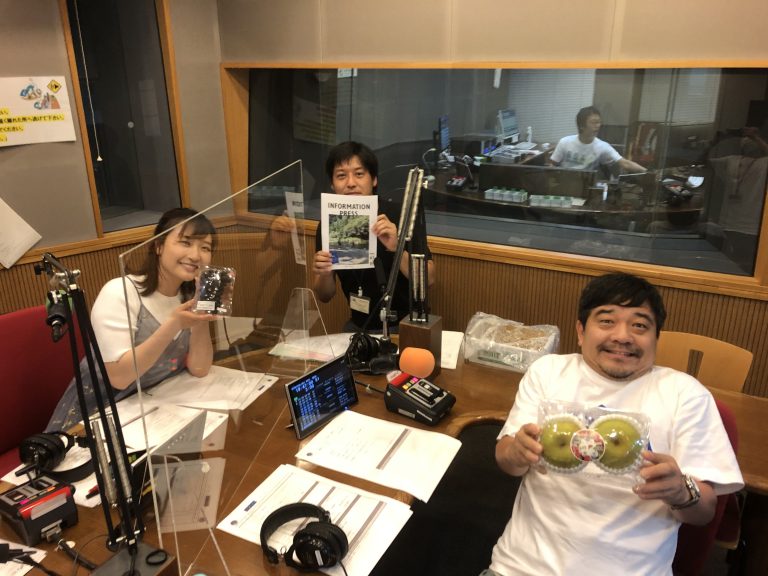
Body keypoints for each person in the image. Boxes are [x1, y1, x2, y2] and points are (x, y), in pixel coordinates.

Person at [483, 272, 743, 576]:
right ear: (581, 331)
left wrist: (681, 492)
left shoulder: (684, 394)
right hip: (521, 567)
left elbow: (704, 512)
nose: (623, 336)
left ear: (656, 337)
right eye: (606, 321)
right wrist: (516, 452)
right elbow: (507, 460)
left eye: (640, 325)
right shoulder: (548, 372)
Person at [47, 208, 219, 431]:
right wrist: (174, 324)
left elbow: (199, 368)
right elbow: (120, 377)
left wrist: (203, 312)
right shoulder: (120, 292)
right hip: (95, 420)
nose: (196, 255)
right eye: (185, 242)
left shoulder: (187, 297)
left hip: (153, 411)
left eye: (205, 248)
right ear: (158, 246)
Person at [312, 141, 435, 332]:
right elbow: (324, 295)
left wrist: (397, 247)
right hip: (359, 325)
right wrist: (324, 274)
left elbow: (429, 279)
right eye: (341, 175)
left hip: (405, 325)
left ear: (374, 179)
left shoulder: (401, 215)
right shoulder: (330, 223)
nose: (351, 183)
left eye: (359, 174)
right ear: (332, 184)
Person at [550, 106, 646, 174]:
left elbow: (625, 163)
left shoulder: (602, 146)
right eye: (593, 122)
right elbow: (552, 165)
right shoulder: (565, 142)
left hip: (586, 186)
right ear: (581, 125)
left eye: (599, 122)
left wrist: (646, 172)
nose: (598, 126)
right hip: (564, 183)